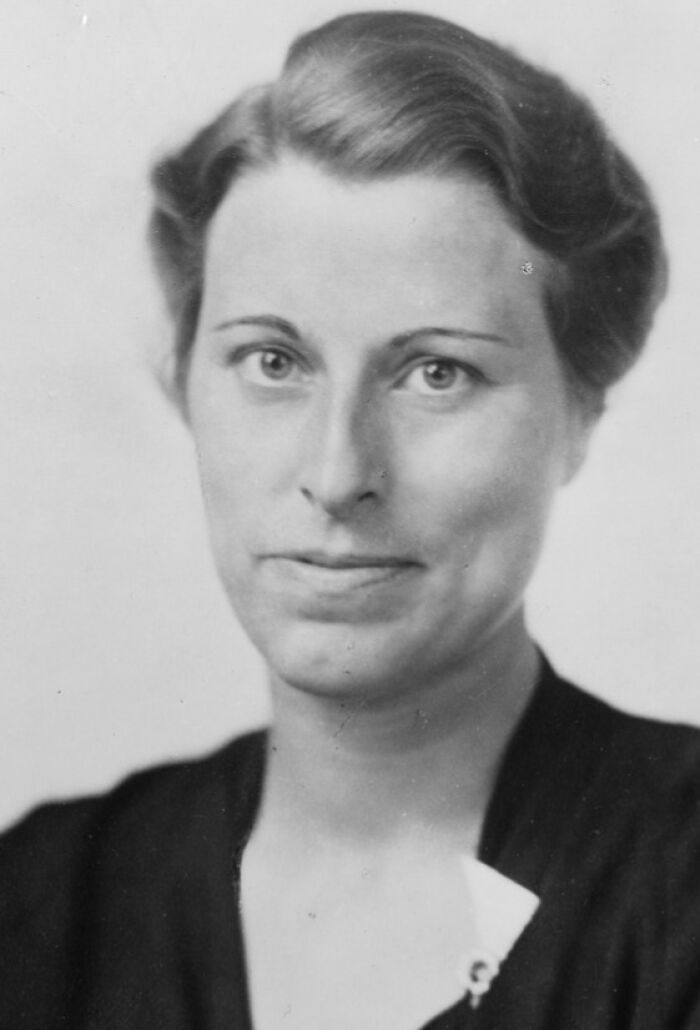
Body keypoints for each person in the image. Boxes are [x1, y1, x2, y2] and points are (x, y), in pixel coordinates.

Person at [1, 9, 698, 1030]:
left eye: (435, 371)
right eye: (273, 363)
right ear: (186, 382)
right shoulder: (48, 903)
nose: (337, 474)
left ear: (580, 412)